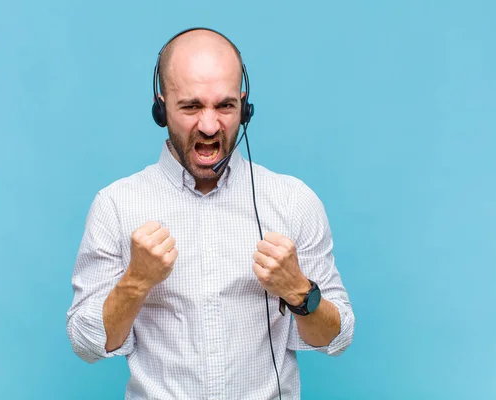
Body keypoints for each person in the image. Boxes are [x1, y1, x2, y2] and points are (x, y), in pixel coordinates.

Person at [66, 27, 355, 399]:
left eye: (224, 106)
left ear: (244, 106)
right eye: (190, 106)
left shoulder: (292, 201)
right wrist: (136, 281)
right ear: (161, 106)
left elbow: (337, 338)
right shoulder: (116, 205)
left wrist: (299, 290)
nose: (208, 125)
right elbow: (87, 344)